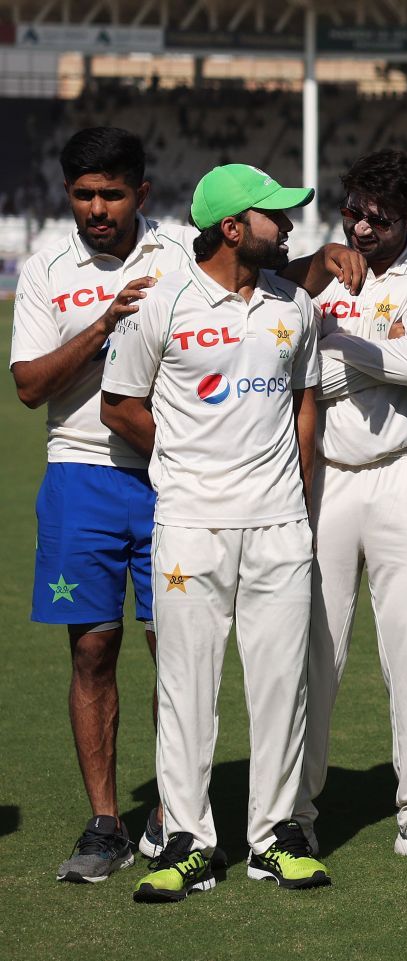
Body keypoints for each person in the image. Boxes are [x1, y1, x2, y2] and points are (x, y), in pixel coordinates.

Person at [100, 163, 330, 902]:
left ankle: (273, 837)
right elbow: (119, 403)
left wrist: (293, 485)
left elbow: (304, 401)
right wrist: (181, 463)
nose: (289, 226)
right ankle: (190, 842)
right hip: (190, 526)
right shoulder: (158, 304)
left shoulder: (295, 305)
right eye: (274, 216)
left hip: (279, 526)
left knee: (280, 689)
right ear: (233, 228)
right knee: (185, 690)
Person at [13, 127, 194, 883]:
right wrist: (104, 325)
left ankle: (175, 810)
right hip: (79, 475)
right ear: (67, 195)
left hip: (167, 474)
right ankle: (105, 821)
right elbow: (28, 385)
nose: (97, 208)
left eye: (112, 194)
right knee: (92, 649)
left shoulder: (182, 251)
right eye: (84, 194)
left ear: (141, 195)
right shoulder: (44, 270)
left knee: (176, 649)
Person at [297, 149, 407, 866]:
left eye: (382, 218)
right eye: (355, 212)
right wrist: (370, 348)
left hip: (405, 474)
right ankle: (292, 810)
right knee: (311, 653)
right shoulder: (318, 269)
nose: (363, 229)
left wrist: (333, 338)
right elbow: (285, 368)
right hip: (324, 478)